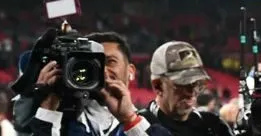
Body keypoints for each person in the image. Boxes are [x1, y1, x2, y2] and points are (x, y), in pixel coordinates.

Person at [27, 31, 171, 136]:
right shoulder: (59, 120)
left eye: (110, 61)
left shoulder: (154, 121)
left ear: (131, 71)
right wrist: (48, 108)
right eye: (93, 63)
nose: (102, 70)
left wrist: (129, 119)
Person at [139, 41, 232, 136]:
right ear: (158, 85)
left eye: (197, 83)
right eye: (182, 83)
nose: (192, 92)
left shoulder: (213, 126)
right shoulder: (139, 128)